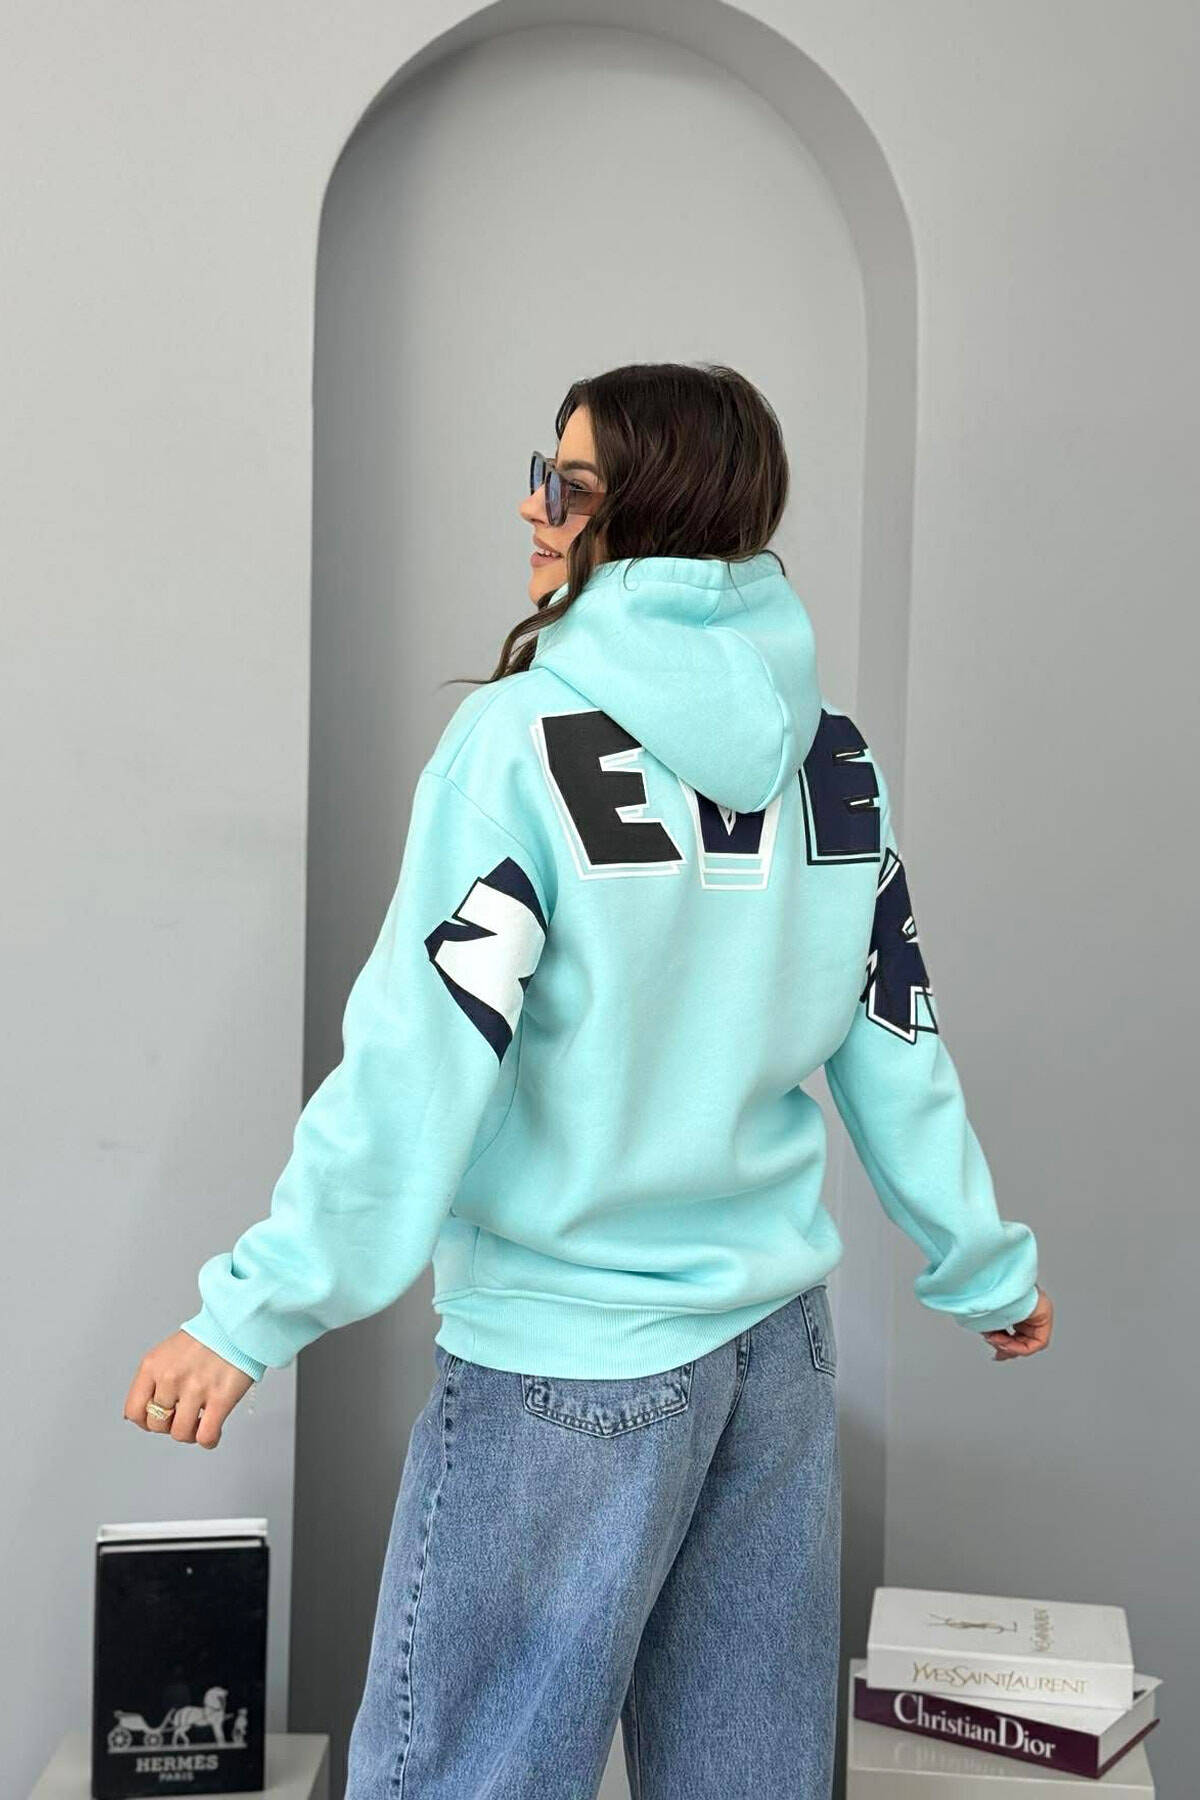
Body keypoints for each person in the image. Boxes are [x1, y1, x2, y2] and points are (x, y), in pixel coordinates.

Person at [124, 362, 1053, 1798]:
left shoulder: (517, 746)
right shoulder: (836, 759)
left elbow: (418, 1065)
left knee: (467, 1777)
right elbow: (895, 1041)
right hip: (774, 1360)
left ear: (647, 509)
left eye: (564, 485)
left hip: (567, 1360)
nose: (531, 507)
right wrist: (981, 1264)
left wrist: (250, 1314)